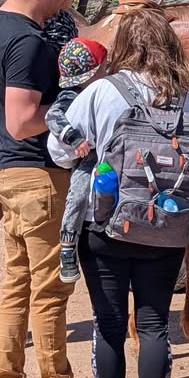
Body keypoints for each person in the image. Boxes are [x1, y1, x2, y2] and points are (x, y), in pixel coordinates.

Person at [48, 8, 189, 378]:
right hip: (166, 226)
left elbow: (58, 151)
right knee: (154, 324)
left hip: (105, 223)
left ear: (124, 46)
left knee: (107, 326)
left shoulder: (103, 90)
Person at [0, 0, 105, 378]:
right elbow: (21, 119)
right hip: (39, 177)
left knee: (16, 285)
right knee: (51, 288)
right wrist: (77, 111)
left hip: (11, 174)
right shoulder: (29, 40)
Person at [45, 37, 109, 283]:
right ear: (90, 73)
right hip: (86, 155)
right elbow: (53, 116)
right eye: (103, 67)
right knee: (78, 194)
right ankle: (68, 245)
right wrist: (74, 138)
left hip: (102, 150)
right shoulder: (70, 96)